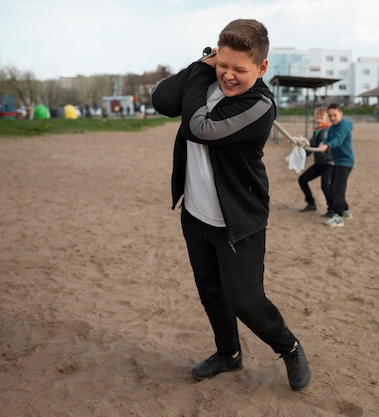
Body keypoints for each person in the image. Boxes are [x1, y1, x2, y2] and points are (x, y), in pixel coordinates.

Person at [151, 18, 311, 391]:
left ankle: (289, 347)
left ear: (262, 67)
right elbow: (162, 100)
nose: (229, 76)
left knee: (246, 301)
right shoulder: (207, 77)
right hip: (196, 213)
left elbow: (199, 128)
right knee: (211, 293)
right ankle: (229, 355)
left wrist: (202, 71)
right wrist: (201, 65)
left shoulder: (259, 106)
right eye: (223, 65)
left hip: (239, 219)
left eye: (240, 69)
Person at [318, 103, 355, 227]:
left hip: (345, 161)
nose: (333, 118)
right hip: (337, 161)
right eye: (330, 116)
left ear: (341, 114)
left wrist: (328, 146)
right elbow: (327, 138)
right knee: (334, 187)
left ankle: (338, 218)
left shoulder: (344, 125)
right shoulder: (332, 127)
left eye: (335, 115)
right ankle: (346, 211)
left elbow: (338, 139)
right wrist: (322, 143)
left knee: (338, 189)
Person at [297, 107, 334, 216]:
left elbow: (324, 143)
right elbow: (311, 148)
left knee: (325, 185)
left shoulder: (326, 130)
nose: (319, 120)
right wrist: (300, 149)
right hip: (319, 163)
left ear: (326, 118)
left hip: (328, 163)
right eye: (317, 117)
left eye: (321, 118)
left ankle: (332, 209)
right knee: (302, 179)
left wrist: (323, 146)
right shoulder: (317, 131)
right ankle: (311, 203)